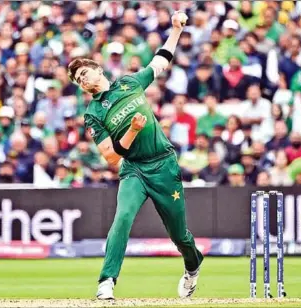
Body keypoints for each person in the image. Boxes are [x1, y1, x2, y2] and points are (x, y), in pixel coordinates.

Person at [67, 11, 203, 300]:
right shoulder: (93, 113)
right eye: (78, 79)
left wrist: (176, 29)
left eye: (84, 73)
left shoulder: (130, 83)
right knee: (122, 218)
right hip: (134, 170)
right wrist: (130, 132)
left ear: (97, 69)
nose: (82, 80)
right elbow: (111, 157)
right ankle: (106, 282)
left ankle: (193, 266)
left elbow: (161, 62)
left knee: (180, 236)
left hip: (164, 164)